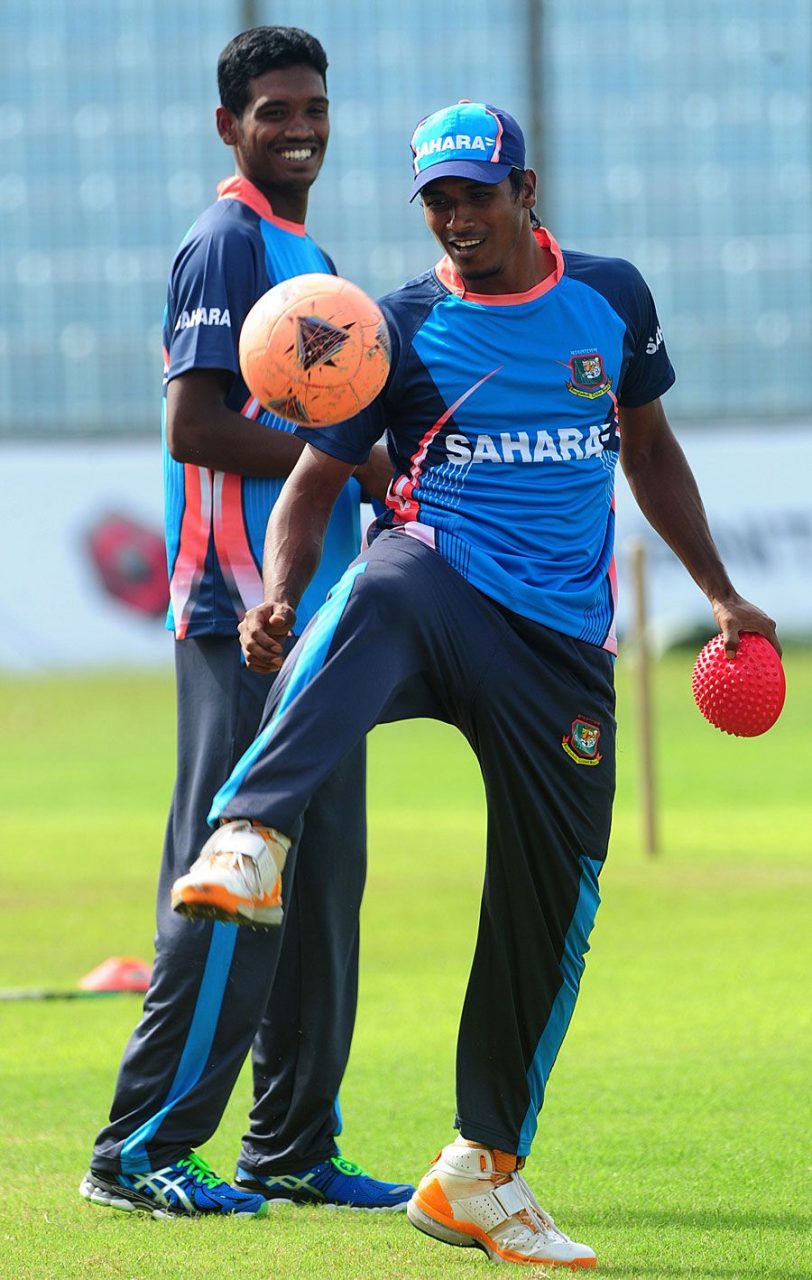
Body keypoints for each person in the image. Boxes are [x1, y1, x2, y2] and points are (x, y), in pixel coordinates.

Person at [172, 100, 781, 1263]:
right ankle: (248, 834)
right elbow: (312, 485)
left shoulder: (612, 297)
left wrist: (716, 590)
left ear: (525, 190)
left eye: (475, 193)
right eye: (437, 198)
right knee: (383, 585)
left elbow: (647, 449)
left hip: (559, 647)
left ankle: (480, 1170)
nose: (456, 216)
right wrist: (281, 594)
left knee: (555, 895)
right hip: (441, 581)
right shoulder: (390, 327)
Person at [80, 26, 412, 1219]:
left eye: (313, 106)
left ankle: (291, 1143)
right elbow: (194, 427)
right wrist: (355, 457)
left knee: (324, 877)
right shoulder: (225, 241)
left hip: (320, 616)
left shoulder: (305, 250)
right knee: (235, 874)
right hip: (238, 612)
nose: (300, 127)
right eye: (274, 111)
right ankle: (139, 1145)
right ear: (231, 126)